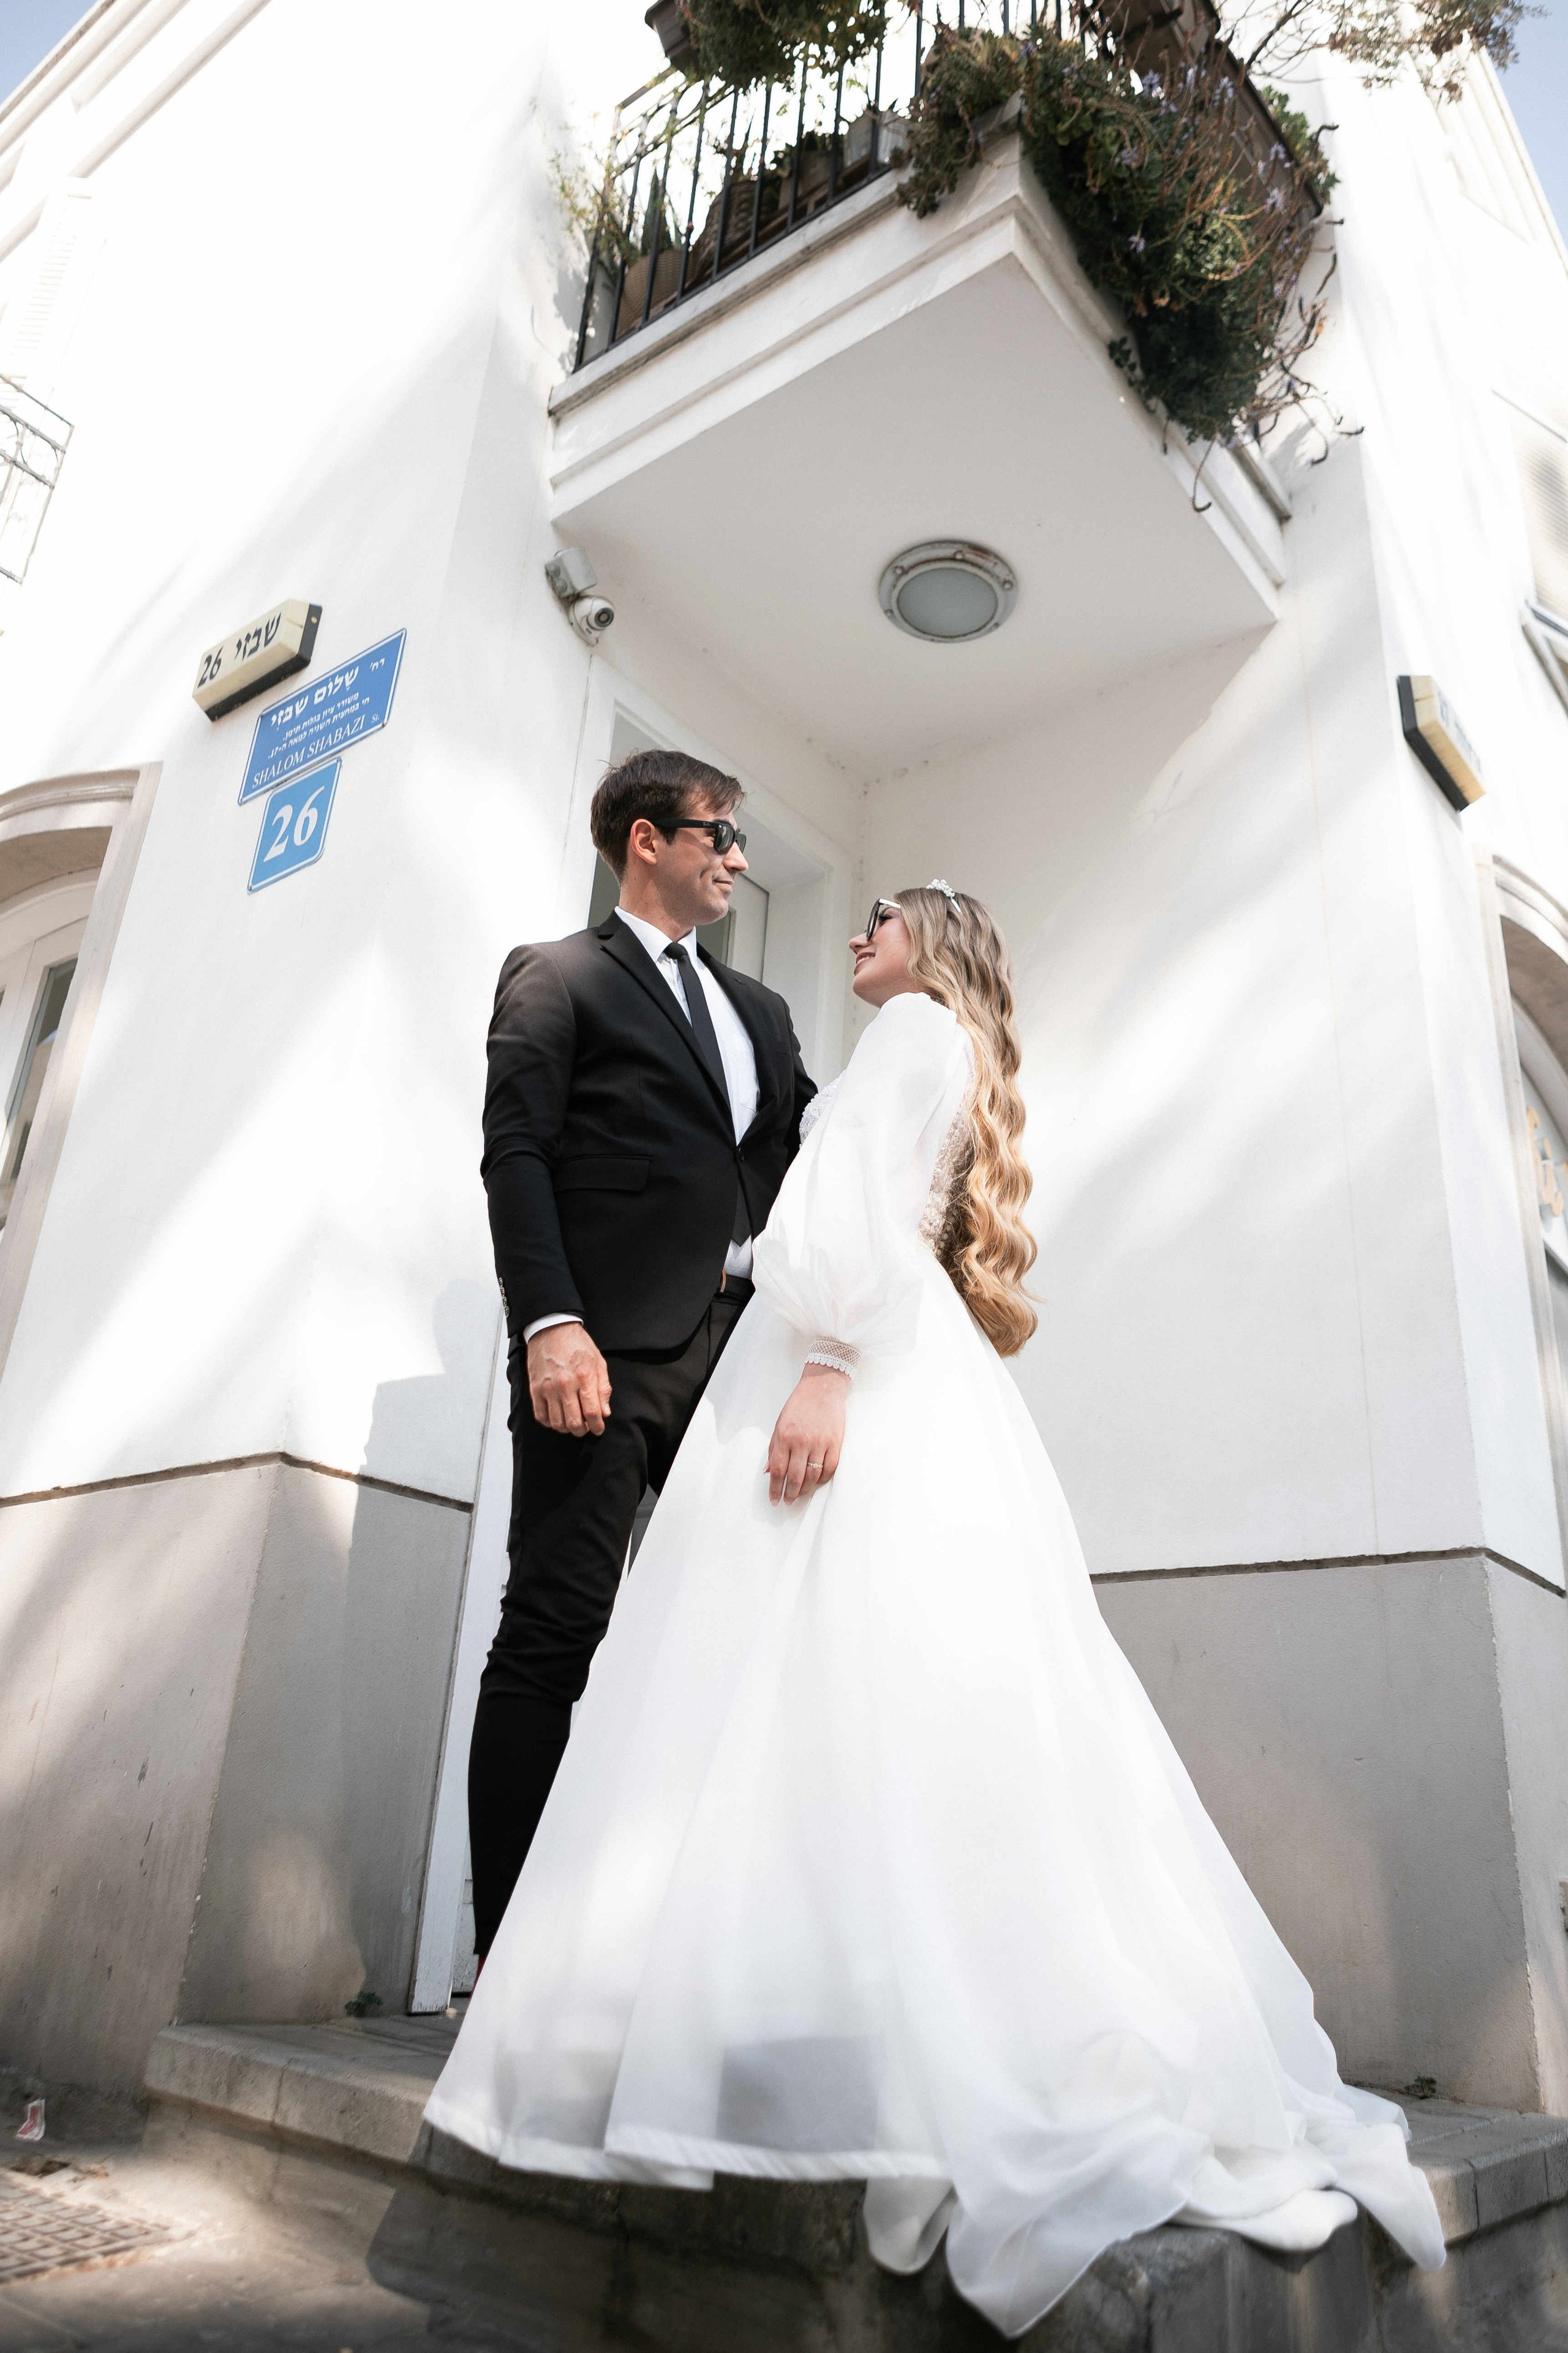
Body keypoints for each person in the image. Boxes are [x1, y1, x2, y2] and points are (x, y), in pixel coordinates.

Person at [432, 883, 1446, 2338]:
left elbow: (844, 1216)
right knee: (879, 1698)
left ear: (936, 948)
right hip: (895, 1367)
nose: (856, 935)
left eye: (882, 915)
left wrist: (829, 1361)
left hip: (845, 1362)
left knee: (809, 1687)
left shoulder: (912, 1030)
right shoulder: (935, 1042)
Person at [467, 746, 815, 1963]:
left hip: (739, 1357)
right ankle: (507, 1962)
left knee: (715, 1647)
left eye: (738, 837)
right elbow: (517, 1152)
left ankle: (663, 1965)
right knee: (553, 1631)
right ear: (644, 841)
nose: (734, 857)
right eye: (715, 832)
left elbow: (812, 1160)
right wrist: (548, 1320)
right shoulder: (557, 976)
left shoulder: (761, 1014)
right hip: (600, 1353)